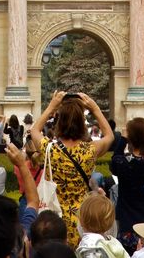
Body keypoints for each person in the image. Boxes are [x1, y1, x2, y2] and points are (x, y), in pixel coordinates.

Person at [37, 91, 114, 244]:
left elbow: (34, 130)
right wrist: (95, 109)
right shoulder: (90, 150)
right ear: (82, 123)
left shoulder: (49, 149)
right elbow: (110, 136)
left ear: (59, 122)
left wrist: (52, 106)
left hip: (54, 221)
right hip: (83, 222)